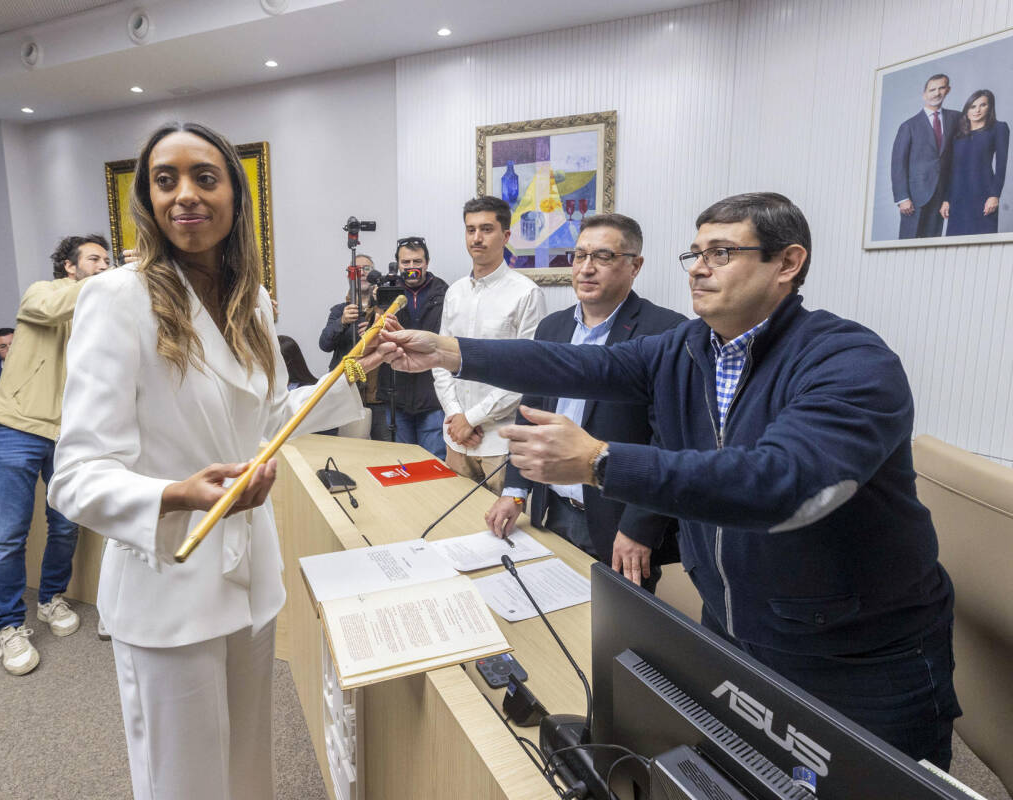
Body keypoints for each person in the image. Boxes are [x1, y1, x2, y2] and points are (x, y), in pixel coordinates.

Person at [379, 192, 961, 769]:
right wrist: (447, 351)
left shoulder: (847, 358)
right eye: (696, 252)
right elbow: (576, 364)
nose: (700, 267)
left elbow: (785, 484)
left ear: (787, 263)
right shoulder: (690, 347)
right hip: (732, 623)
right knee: (743, 776)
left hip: (855, 651)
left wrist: (601, 462)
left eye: (722, 252)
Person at [47, 122, 379, 799]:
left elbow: (266, 425)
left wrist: (352, 375)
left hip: (248, 573)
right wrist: (176, 494)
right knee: (185, 781)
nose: (184, 195)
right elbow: (77, 473)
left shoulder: (251, 300)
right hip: (169, 575)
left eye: (204, 176)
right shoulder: (116, 298)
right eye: (164, 180)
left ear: (235, 195)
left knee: (247, 767)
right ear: (147, 198)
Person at [484, 213, 684, 589]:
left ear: (634, 266)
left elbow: (669, 445)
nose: (586, 268)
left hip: (617, 522)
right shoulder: (553, 328)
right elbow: (530, 414)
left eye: (603, 257)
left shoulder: (666, 332)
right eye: (579, 256)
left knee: (609, 639)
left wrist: (639, 527)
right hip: (550, 509)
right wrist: (515, 490)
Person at [0, 234, 110, 675]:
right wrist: (115, 280)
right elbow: (52, 310)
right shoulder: (44, 291)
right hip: (17, 425)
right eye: (94, 259)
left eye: (108, 260)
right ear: (70, 267)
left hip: (71, 433)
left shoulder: (103, 310)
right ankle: (9, 626)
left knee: (64, 524)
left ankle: (50, 599)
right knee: (10, 533)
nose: (103, 266)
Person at [434, 196, 545, 494]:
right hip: (455, 440)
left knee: (504, 533)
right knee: (455, 529)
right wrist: (456, 415)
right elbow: (441, 360)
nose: (477, 238)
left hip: (499, 441)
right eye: (470, 230)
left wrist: (472, 418)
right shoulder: (455, 292)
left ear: (505, 236)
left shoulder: (526, 294)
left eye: (486, 229)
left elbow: (527, 373)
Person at [390, 236, 448, 460]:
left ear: (427, 262)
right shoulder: (388, 291)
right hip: (397, 392)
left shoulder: (444, 293)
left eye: (417, 262)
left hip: (432, 391)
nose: (411, 268)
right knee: (401, 462)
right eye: (406, 263)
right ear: (398, 264)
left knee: (433, 460)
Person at [318, 255, 388, 439]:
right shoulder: (339, 310)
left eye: (367, 269)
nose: (362, 273)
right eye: (356, 270)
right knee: (347, 448)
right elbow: (324, 344)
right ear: (350, 276)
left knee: (385, 448)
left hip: (378, 394)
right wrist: (342, 322)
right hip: (346, 391)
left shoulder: (386, 308)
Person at [891, 73, 961, 239]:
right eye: (932, 89)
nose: (937, 93)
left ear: (948, 90)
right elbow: (897, 164)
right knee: (909, 242)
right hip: (915, 197)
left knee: (932, 241)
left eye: (941, 88)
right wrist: (902, 198)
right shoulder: (909, 126)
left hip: (941, 195)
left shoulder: (956, 118)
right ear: (924, 94)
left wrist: (949, 197)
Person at [941, 89, 1010, 236]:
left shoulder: (999, 128)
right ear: (967, 109)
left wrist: (994, 195)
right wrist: (946, 199)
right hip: (958, 198)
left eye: (983, 105)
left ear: (990, 107)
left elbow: (1001, 166)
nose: (977, 110)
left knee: (983, 246)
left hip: (983, 195)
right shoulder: (957, 133)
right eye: (973, 106)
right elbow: (952, 170)